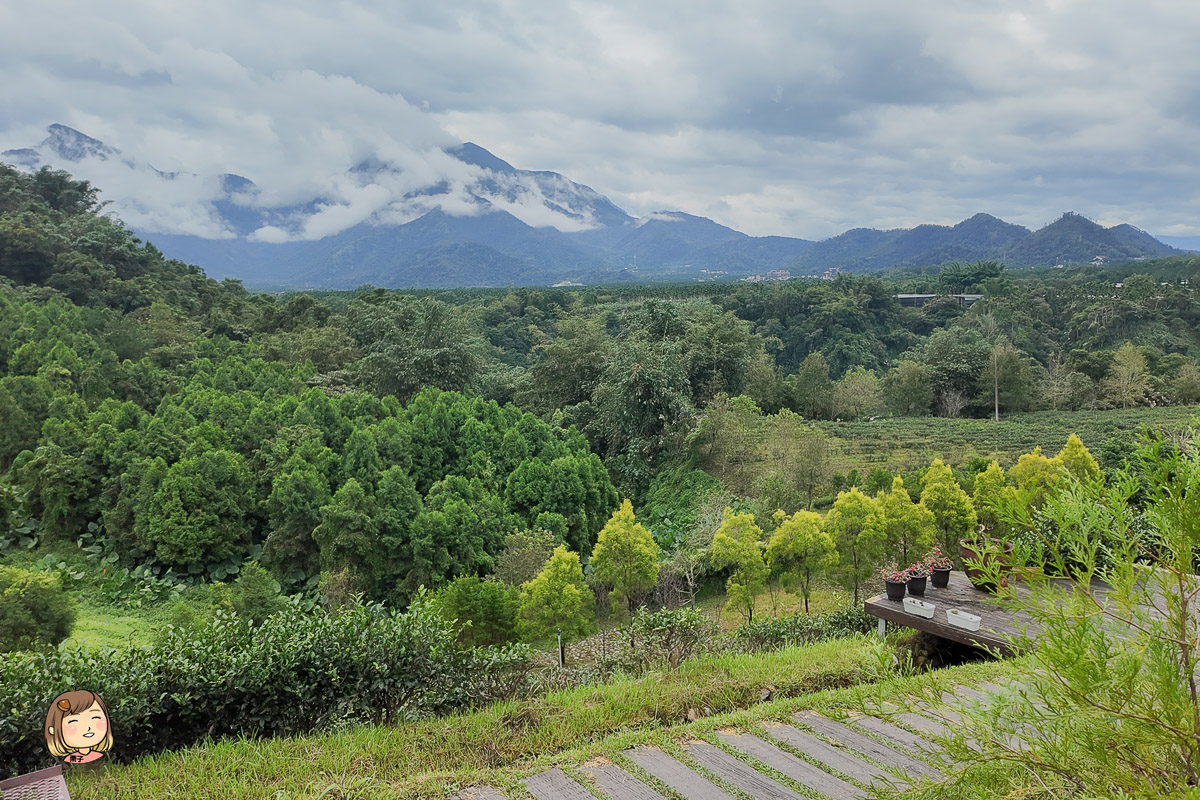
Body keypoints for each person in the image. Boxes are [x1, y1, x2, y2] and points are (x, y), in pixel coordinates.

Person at [44, 690, 112, 765]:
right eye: (73, 721)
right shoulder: (67, 761)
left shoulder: (102, 758)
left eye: (96, 717)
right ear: (53, 730)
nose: (88, 728)